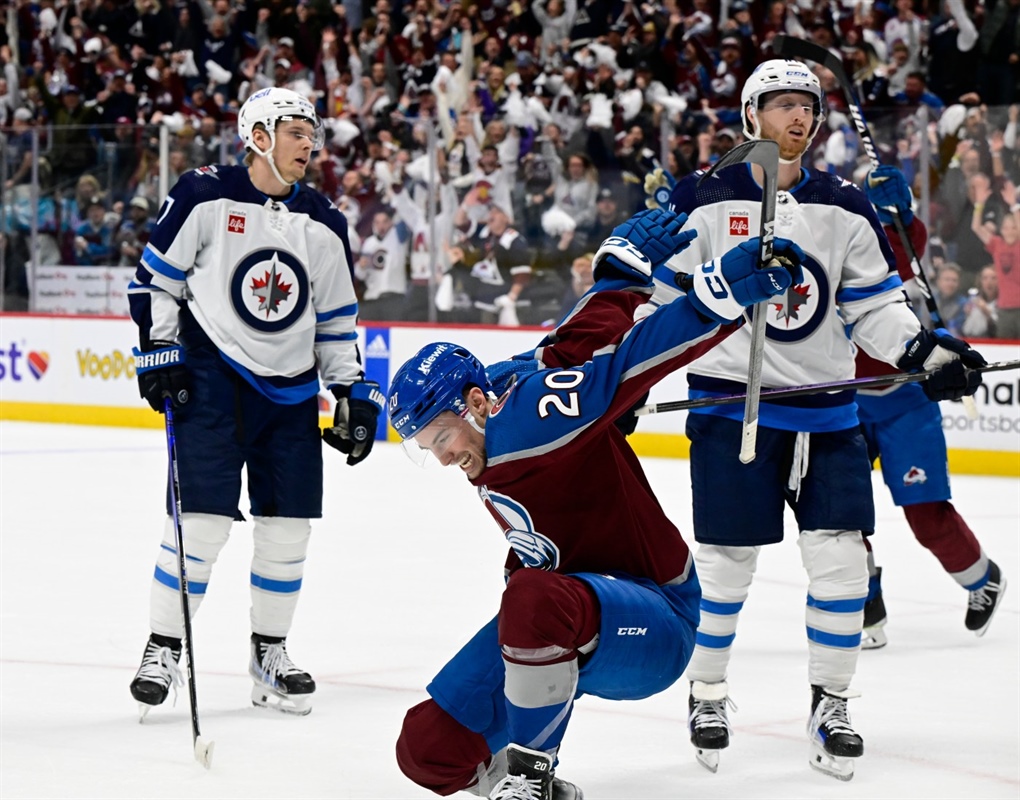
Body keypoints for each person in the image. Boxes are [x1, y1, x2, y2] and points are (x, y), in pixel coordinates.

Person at [386, 207, 807, 800]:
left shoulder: (529, 424)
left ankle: (530, 781)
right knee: (427, 749)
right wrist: (620, 276)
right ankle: (529, 776)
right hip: (569, 613)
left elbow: (627, 365)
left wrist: (717, 298)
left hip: (656, 619)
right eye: (427, 447)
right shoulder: (501, 394)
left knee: (530, 597)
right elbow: (567, 350)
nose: (442, 457)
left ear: (476, 403)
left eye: (442, 438)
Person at [654, 60, 986, 781]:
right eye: (781, 106)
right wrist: (623, 384)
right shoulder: (703, 198)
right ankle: (707, 692)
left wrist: (923, 350)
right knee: (726, 567)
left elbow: (874, 307)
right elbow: (659, 305)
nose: (798, 118)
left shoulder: (843, 204)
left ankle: (830, 703)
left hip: (829, 415)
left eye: (806, 106)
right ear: (750, 116)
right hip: (732, 409)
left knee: (840, 564)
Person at [126, 87, 384, 718]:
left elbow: (336, 319)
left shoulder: (324, 220)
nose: (310, 144)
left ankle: (269, 654)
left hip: (292, 393)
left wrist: (349, 388)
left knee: (287, 531)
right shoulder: (203, 194)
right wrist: (160, 351)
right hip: (211, 380)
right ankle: (164, 647)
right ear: (259, 135)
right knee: (201, 524)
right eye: (297, 131)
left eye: (311, 133)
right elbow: (154, 281)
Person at [857, 164, 1007, 649]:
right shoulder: (815, 246)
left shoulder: (876, 243)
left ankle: (981, 577)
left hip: (904, 399)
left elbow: (904, 247)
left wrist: (901, 214)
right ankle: (863, 601)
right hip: (842, 403)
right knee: (836, 516)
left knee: (927, 515)